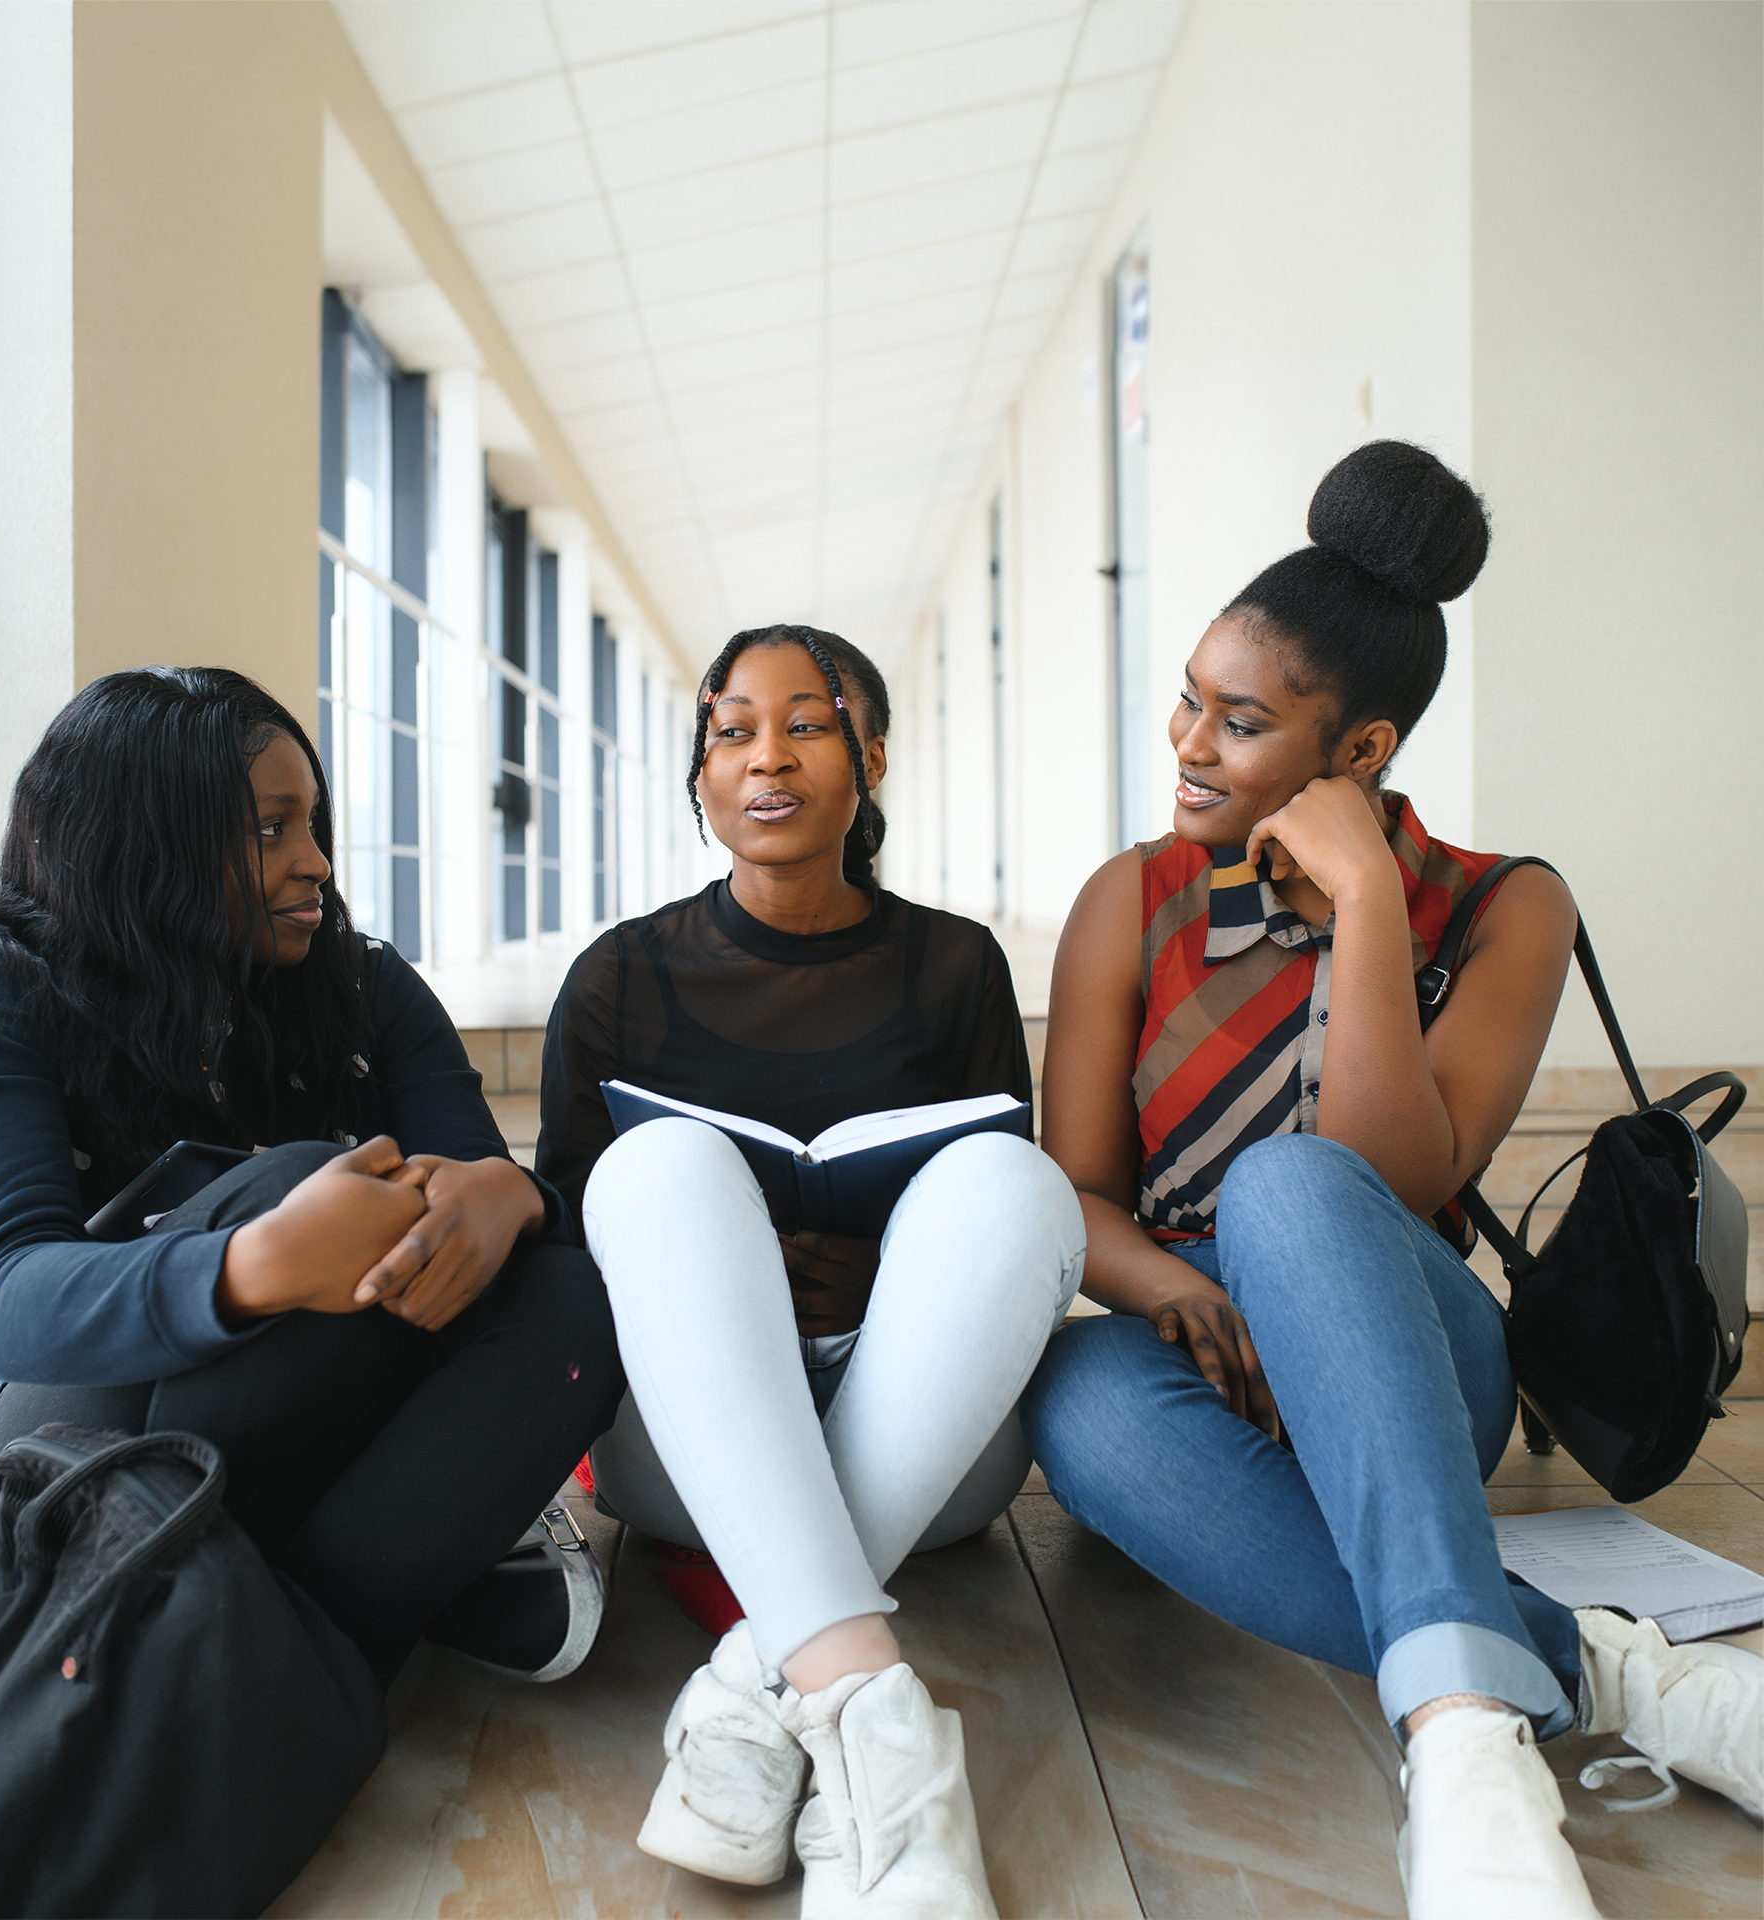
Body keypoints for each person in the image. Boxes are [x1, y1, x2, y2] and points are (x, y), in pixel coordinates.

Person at [1019, 441, 1762, 1918]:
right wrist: (1172, 1287)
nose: (1186, 742)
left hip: (1409, 1346)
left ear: (1359, 751)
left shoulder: (1504, 905)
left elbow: (1394, 1172)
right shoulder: (1132, 900)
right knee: (1070, 1398)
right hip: (1193, 1354)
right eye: (1189, 697)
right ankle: (1579, 1671)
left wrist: (1362, 898)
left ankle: (1450, 1749)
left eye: (1240, 724)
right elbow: (1075, 1197)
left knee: (1294, 1194)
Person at [0, 667, 624, 1696]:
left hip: (335, 1409)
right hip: (89, 1435)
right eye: (268, 832)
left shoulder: (363, 984)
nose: (317, 864)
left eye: (314, 824)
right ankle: (381, 1596)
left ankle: (258, 1656)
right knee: (295, 1180)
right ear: (144, 840)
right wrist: (256, 1264)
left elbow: (472, 1182)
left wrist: (515, 1199)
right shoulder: (0, 989)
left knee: (567, 1291)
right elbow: (7, 1300)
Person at [537, 624, 1085, 1914]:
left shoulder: (956, 964)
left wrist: (874, 1250)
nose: (765, 756)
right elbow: (565, 1239)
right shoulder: (616, 977)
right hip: (680, 1450)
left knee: (1019, 1185)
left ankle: (753, 1684)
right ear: (700, 773)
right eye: (731, 729)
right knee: (656, 1176)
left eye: (807, 723)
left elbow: (982, 1215)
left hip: (930, 1443)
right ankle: (880, 1751)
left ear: (871, 758)